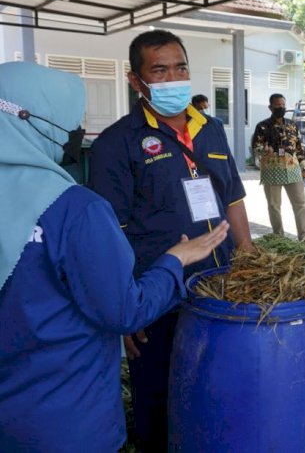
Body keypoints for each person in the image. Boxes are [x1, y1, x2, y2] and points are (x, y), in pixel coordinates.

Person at [0, 61, 230, 452]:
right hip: (65, 422)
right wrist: (175, 260)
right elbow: (125, 311)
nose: (76, 131)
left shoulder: (211, 130)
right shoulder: (75, 209)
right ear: (35, 119)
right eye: (71, 118)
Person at [88, 29, 254, 452]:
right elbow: (109, 233)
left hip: (220, 289)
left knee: (218, 392)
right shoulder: (116, 144)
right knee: (160, 403)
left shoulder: (211, 129)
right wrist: (126, 307)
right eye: (159, 70)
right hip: (158, 297)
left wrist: (249, 258)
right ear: (136, 81)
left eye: (180, 67)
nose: (173, 77)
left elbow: (232, 197)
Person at [252, 93, 305, 240]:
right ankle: (279, 237)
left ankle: (304, 237)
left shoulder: (292, 125)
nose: (281, 108)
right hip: (272, 171)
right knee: (274, 206)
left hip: (292, 170)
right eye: (278, 105)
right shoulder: (262, 126)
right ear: (270, 107)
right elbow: (255, 147)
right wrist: (263, 150)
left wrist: (304, 167)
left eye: (283, 105)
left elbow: (299, 149)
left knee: (300, 204)